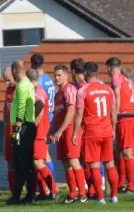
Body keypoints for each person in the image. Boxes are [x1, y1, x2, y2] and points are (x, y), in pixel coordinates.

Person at [73, 62, 119, 204]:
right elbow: (113, 111)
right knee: (110, 164)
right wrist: (113, 129)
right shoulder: (108, 89)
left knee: (94, 165)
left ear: (86, 73)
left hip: (92, 131)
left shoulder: (83, 91)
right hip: (106, 131)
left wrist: (75, 133)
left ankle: (100, 198)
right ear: (97, 73)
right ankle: (114, 196)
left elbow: (79, 113)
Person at [107, 58, 134, 194]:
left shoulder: (117, 78)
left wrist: (117, 114)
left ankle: (131, 186)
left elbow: (117, 96)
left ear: (110, 68)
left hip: (125, 119)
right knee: (127, 154)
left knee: (127, 154)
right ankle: (130, 184)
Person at [50, 64, 87, 203]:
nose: (56, 77)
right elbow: (56, 115)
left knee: (74, 160)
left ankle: (82, 193)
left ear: (66, 75)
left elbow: (72, 111)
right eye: (55, 75)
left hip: (70, 129)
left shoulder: (69, 89)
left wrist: (60, 131)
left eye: (59, 75)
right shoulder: (57, 94)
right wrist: (50, 132)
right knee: (65, 163)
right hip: (61, 131)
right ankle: (72, 193)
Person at [70, 58, 105, 198]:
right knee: (87, 160)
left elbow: (78, 111)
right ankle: (92, 189)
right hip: (96, 126)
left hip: (87, 127)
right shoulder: (97, 84)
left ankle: (94, 189)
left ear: (72, 71)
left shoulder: (79, 88)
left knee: (90, 160)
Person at [8, 60, 37, 205]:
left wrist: (17, 126)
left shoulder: (23, 86)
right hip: (25, 125)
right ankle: (17, 194)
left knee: (25, 163)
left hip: (24, 126)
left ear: (14, 71)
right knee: (18, 163)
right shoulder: (26, 84)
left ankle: (30, 195)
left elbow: (22, 106)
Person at [28, 69, 59, 199]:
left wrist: (31, 127)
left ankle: (54, 190)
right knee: (38, 162)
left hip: (39, 132)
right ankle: (42, 191)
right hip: (42, 130)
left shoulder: (37, 92)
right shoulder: (39, 89)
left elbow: (40, 109)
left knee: (38, 163)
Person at [30, 54, 56, 182]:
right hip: (50, 116)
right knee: (45, 154)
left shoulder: (38, 81)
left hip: (43, 119)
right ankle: (48, 185)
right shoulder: (49, 79)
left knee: (41, 156)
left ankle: (49, 185)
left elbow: (39, 103)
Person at [2, 66, 17, 193]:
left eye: (8, 80)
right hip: (9, 130)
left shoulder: (22, 88)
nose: (6, 83)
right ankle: (14, 191)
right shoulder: (8, 90)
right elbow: (5, 105)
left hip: (19, 130)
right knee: (10, 162)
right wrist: (5, 121)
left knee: (23, 163)